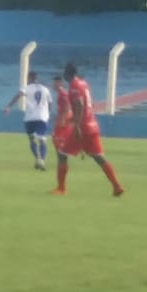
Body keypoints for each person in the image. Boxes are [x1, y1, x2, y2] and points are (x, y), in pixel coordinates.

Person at [51, 62, 125, 197]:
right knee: (99, 157)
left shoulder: (74, 86)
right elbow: (86, 105)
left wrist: (77, 125)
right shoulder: (84, 84)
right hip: (92, 125)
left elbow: (79, 105)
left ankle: (61, 188)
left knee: (62, 154)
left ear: (68, 73)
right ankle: (117, 186)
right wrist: (73, 119)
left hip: (83, 128)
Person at [4, 71, 52, 170]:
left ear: (29, 78)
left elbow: (19, 95)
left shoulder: (27, 88)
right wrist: (47, 114)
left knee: (31, 139)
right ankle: (42, 160)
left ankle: (37, 158)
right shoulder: (45, 89)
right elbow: (50, 103)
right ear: (37, 78)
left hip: (30, 118)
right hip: (42, 117)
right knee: (42, 139)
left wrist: (9, 106)